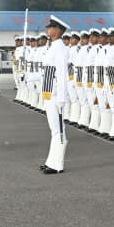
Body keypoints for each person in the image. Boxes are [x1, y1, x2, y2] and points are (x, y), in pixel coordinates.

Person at [40, 16, 71, 174]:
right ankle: (51, 161)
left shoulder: (60, 48)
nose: (48, 29)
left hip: (55, 94)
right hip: (48, 93)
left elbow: (62, 74)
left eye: (51, 27)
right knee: (54, 129)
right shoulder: (52, 47)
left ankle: (57, 164)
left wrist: (61, 98)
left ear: (58, 30)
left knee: (58, 130)